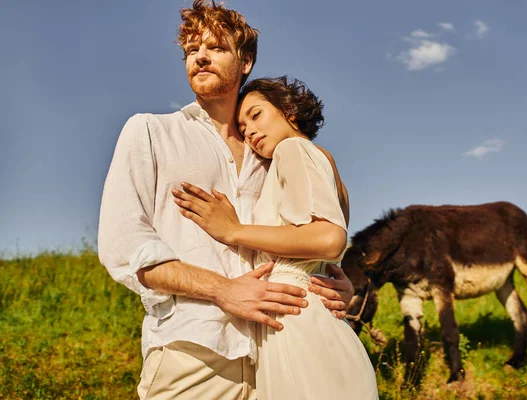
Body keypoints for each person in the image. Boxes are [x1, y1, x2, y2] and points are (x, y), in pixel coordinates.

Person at [97, 1, 355, 399]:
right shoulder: (150, 132)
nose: (199, 56)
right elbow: (123, 246)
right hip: (197, 350)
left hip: (281, 347)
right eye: (190, 50)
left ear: (245, 61)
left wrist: (331, 280)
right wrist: (223, 289)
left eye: (216, 47)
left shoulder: (270, 150)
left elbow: (310, 233)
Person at [172, 76, 379, 400]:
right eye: (243, 128)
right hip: (306, 317)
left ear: (290, 111)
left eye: (256, 115)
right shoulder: (322, 160)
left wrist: (233, 230)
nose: (250, 132)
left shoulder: (292, 149)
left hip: (296, 321)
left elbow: (329, 238)